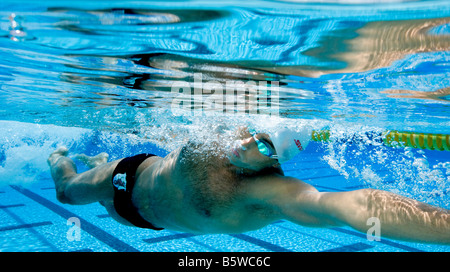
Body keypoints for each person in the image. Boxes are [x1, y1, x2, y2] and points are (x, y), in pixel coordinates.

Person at [48, 126, 450, 244]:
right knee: (66, 192)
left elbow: (355, 206)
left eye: (261, 145)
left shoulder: (270, 192)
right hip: (129, 173)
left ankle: (92, 164)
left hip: (137, 219)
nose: (243, 145)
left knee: (102, 208)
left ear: (275, 160)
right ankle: (56, 156)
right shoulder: (221, 132)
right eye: (251, 133)